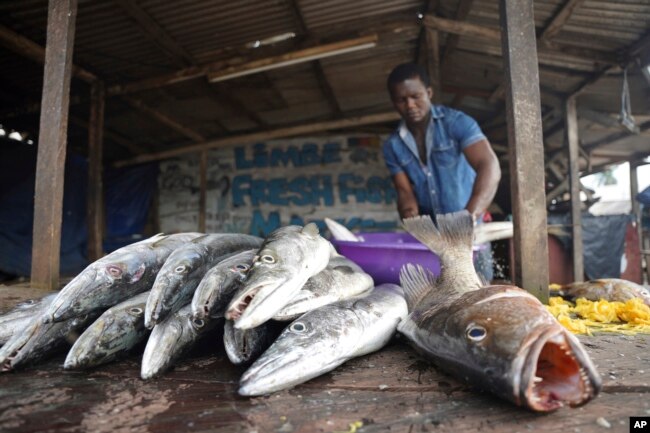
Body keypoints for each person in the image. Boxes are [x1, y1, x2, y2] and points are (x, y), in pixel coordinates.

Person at [382, 62, 501, 281]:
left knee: (481, 289)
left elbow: (489, 165)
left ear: (428, 93)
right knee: (441, 295)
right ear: (393, 102)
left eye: (415, 96)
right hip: (433, 239)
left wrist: (468, 218)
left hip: (472, 231)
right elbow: (405, 192)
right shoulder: (392, 146)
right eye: (401, 100)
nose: (410, 105)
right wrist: (412, 219)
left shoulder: (456, 123)